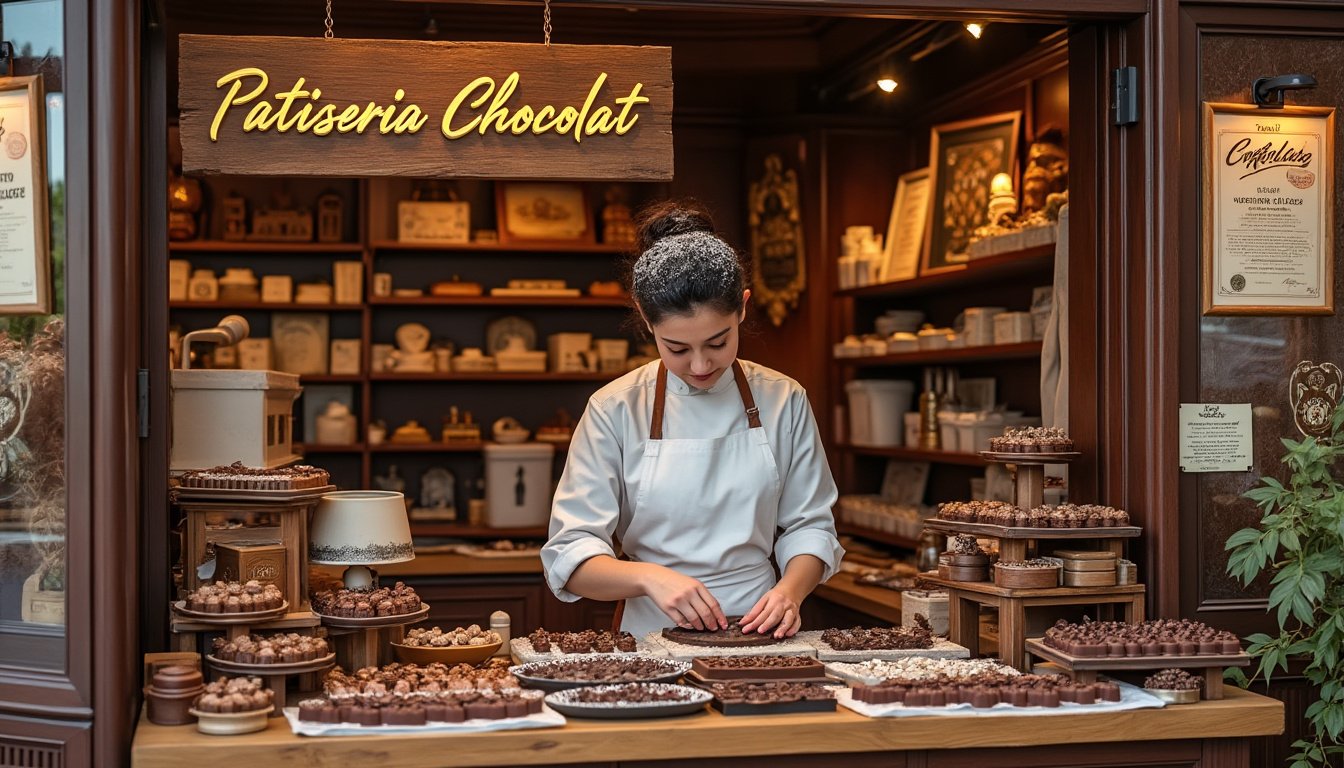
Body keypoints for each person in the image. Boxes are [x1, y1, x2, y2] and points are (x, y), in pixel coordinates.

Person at [541, 200, 844, 639]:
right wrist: (650, 578)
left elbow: (811, 526)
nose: (700, 365)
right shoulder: (615, 408)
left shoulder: (783, 399)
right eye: (677, 349)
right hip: (650, 633)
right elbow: (570, 556)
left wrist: (790, 593)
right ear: (646, 320)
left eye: (718, 342)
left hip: (760, 630)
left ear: (742, 308)